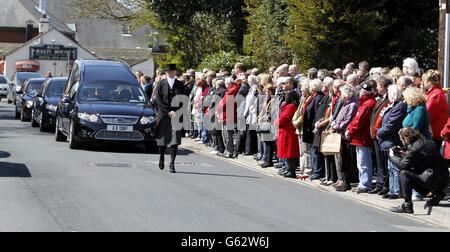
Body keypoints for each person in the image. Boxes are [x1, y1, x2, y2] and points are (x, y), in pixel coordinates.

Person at [389, 128, 449, 214]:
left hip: (432, 179)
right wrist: (404, 153)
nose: (401, 142)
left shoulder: (415, 148)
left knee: (404, 173)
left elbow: (404, 165)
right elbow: (420, 160)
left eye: (401, 139)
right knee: (412, 172)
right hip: (443, 179)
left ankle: (407, 205)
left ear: (405, 138)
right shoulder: (428, 142)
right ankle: (437, 194)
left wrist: (392, 156)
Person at [154, 64, 186, 173]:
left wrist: (176, 111)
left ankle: (172, 163)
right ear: (166, 72)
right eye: (168, 71)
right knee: (163, 140)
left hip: (176, 115)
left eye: (172, 71)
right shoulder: (161, 83)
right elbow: (158, 99)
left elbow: (184, 100)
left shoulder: (180, 84)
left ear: (175, 72)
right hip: (164, 114)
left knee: (175, 140)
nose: (170, 73)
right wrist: (167, 111)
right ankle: (162, 157)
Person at [346, 81, 377, 193]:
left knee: (364, 162)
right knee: (361, 162)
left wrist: (350, 130)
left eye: (364, 91)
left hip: (362, 137)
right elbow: (356, 119)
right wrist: (349, 128)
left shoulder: (368, 103)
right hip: (359, 137)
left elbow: (359, 121)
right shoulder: (364, 103)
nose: (361, 93)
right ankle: (362, 182)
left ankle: (365, 184)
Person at [275, 91, 300, 178]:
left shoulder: (290, 107)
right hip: (287, 131)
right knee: (288, 152)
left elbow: (284, 118)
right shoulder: (290, 106)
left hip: (288, 132)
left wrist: (276, 121)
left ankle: (291, 170)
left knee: (289, 152)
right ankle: (288, 169)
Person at [422, 70, 449, 148]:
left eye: (424, 81)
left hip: (436, 133)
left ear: (429, 82)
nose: (423, 83)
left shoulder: (436, 94)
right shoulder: (433, 93)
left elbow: (427, 113)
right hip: (434, 132)